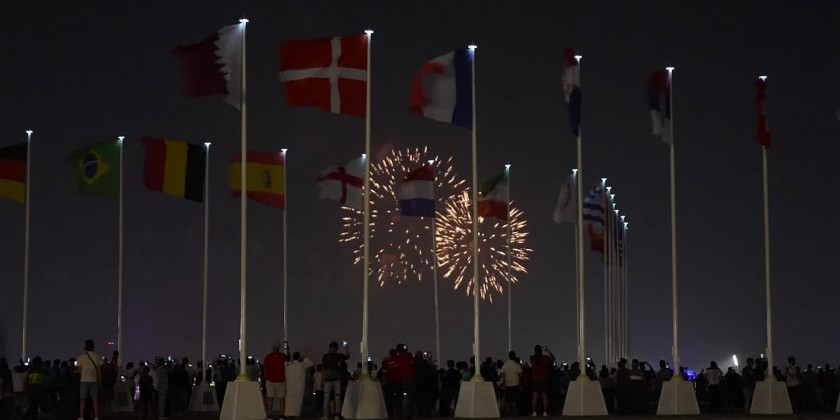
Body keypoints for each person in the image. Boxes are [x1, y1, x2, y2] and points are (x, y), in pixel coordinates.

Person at [321, 341, 349, 420]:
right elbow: (323, 369)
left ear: (335, 349)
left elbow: (347, 357)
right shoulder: (326, 356)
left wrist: (346, 349)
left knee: (335, 398)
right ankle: (327, 415)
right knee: (328, 398)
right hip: (330, 380)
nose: (331, 350)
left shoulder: (337, 356)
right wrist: (322, 380)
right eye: (331, 348)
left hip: (335, 379)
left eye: (332, 348)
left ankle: (335, 414)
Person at [77, 339, 102, 420]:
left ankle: (81, 416)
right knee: (95, 400)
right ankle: (96, 416)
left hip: (84, 380)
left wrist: (83, 375)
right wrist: (100, 382)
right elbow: (99, 371)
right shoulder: (97, 357)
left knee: (82, 400)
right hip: (94, 380)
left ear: (85, 346)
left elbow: (79, 371)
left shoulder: (81, 357)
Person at [264, 342, 290, 418]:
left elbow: (265, 368)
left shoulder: (268, 357)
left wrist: (266, 378)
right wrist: (288, 350)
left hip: (270, 380)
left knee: (269, 399)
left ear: (273, 348)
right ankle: (282, 415)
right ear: (279, 348)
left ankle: (269, 414)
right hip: (281, 380)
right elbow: (288, 359)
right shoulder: (282, 356)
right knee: (281, 399)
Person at [285, 353, 314, 418]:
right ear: (299, 357)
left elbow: (286, 377)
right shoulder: (302, 365)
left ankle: (288, 414)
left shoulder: (288, 367)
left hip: (290, 386)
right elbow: (311, 363)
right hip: (299, 387)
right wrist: (305, 358)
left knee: (289, 401)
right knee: (298, 402)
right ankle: (296, 414)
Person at [529, 345, 554, 416]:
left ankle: (534, 412)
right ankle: (545, 412)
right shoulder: (545, 358)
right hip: (543, 379)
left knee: (535, 396)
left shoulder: (532, 358)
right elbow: (553, 358)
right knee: (544, 396)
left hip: (535, 379)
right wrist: (548, 350)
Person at [500, 351, 522, 416]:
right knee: (514, 400)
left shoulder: (505, 364)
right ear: (514, 356)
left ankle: (509, 413)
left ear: (509, 356)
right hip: (515, 384)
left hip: (508, 384)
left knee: (508, 400)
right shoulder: (517, 365)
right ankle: (514, 413)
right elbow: (521, 375)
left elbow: (501, 375)